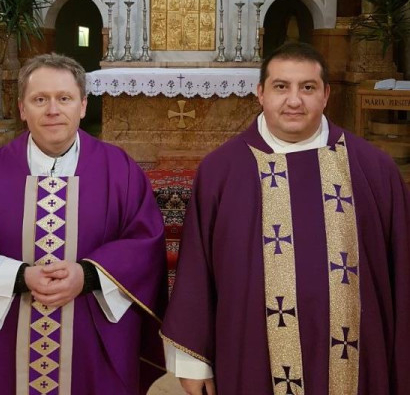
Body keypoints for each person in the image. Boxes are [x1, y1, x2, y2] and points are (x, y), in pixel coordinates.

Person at [161, 42, 410, 395]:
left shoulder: (374, 169)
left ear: (326, 95)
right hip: (252, 357)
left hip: (358, 363)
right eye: (281, 87)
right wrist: (193, 362)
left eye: (307, 87)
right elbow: (196, 271)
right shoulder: (221, 171)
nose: (294, 101)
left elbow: (402, 272)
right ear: (261, 93)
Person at [0, 53, 167, 394]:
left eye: (65, 98)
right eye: (40, 99)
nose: (53, 110)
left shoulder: (121, 172)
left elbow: (144, 246)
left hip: (91, 338)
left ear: (83, 106)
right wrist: (19, 277)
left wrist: (86, 276)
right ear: (22, 108)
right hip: (6, 340)